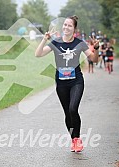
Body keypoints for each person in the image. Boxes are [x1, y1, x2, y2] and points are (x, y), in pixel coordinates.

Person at [35, 15, 99, 152]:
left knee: (73, 109)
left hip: (76, 81)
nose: (66, 27)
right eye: (64, 25)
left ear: (74, 29)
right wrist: (44, 39)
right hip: (61, 82)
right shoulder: (56, 42)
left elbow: (94, 59)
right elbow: (38, 54)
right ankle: (73, 140)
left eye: (69, 25)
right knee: (67, 113)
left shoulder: (80, 43)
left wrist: (96, 48)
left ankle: (77, 139)